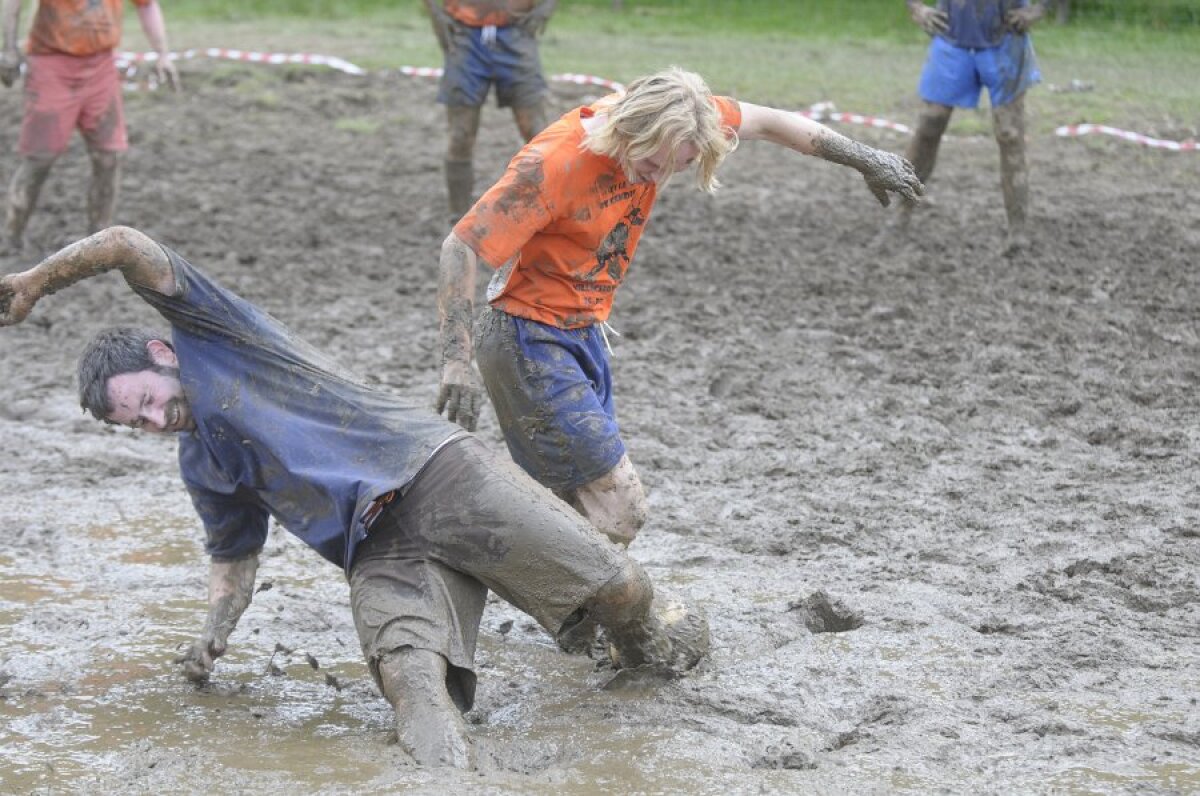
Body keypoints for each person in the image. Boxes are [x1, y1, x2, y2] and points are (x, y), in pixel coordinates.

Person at [0, 225, 708, 769]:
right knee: (413, 688)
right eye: (139, 424)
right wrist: (213, 632)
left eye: (149, 402)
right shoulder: (203, 465)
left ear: (161, 355)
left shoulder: (217, 334)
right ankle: (446, 778)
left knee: (621, 593)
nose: (157, 421)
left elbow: (127, 245)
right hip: (377, 553)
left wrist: (36, 280)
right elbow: (233, 559)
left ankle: (655, 657)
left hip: (436, 472)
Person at [433, 67, 922, 649]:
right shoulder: (556, 163)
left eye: (679, 167)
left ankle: (569, 622)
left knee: (579, 514)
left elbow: (771, 121)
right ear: (630, 133)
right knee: (619, 512)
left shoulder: (684, 116)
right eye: (650, 166)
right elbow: (461, 245)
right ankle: (472, 555)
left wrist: (864, 156)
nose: (661, 178)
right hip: (526, 339)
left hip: (583, 333)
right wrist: (455, 362)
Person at [0, 0, 180, 254]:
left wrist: (163, 55)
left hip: (100, 65)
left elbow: (147, 5)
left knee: (109, 156)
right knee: (40, 159)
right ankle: (12, 236)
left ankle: (99, 238)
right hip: (51, 63)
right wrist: (8, 49)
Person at [901, 0, 1044, 253]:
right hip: (951, 36)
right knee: (930, 123)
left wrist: (1039, 8)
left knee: (1009, 133)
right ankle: (899, 215)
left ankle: (1018, 234)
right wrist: (916, 8)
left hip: (1006, 38)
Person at [423, 0, 556, 221]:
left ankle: (551, 209)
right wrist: (435, 12)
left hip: (517, 31)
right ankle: (459, 219)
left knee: (536, 131)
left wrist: (547, 7)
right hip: (465, 36)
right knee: (460, 135)